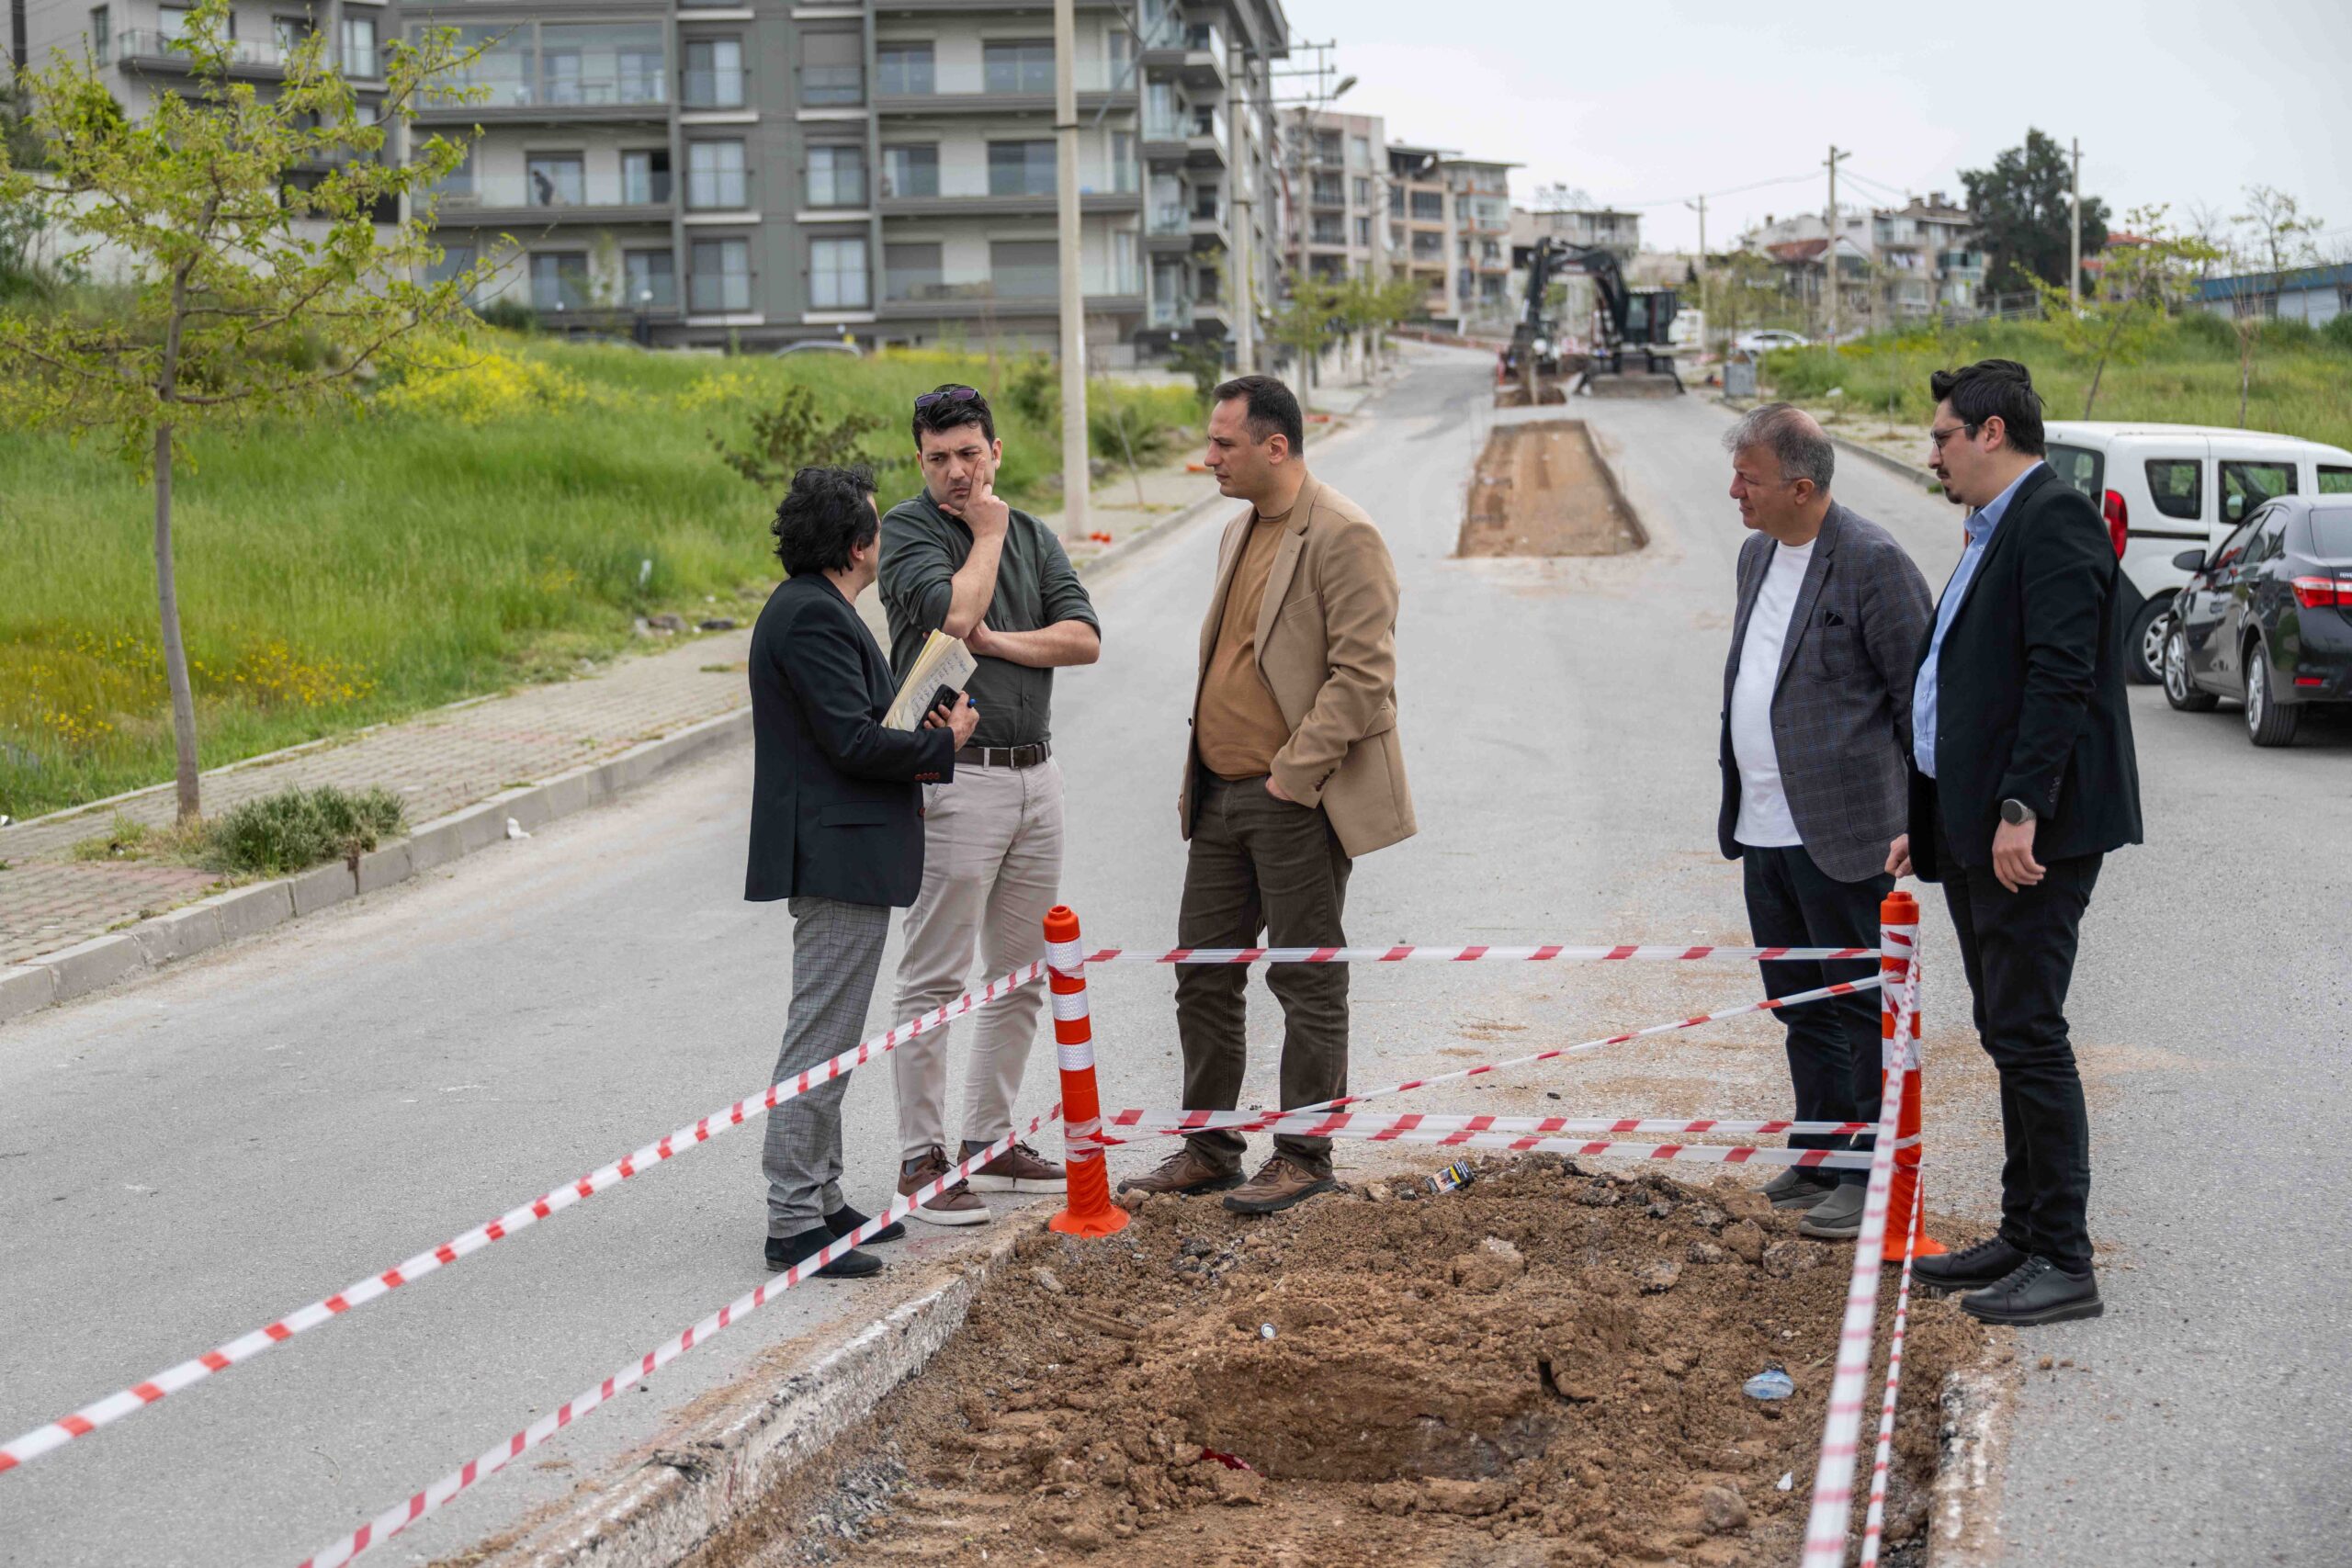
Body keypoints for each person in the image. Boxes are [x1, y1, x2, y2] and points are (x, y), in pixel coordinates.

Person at [1118, 375, 1416, 1215]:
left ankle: (1302, 1153)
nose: (1207, 457)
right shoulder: (1236, 531)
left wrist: (1294, 772)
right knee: (1204, 974)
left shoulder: (1344, 534)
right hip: (1216, 798)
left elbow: (1364, 678)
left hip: (1295, 801)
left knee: (1306, 976)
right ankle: (1211, 1147)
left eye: (1224, 444)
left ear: (1275, 447)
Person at [1890, 359, 2142, 1326]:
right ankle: (2023, 1232)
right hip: (1982, 827)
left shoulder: (2055, 518)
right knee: (2006, 1030)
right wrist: (1933, 823)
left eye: (1944, 436)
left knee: (2030, 1032)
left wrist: (2017, 809)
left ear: (1992, 432)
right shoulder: (1998, 525)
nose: (1934, 453)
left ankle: (2064, 1259)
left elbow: (2060, 676)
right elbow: (1964, 686)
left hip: (2031, 834)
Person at [877, 385, 1102, 1225]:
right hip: (953, 777)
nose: (956, 472)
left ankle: (987, 1139)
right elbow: (954, 611)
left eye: (970, 454)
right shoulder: (911, 530)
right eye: (938, 458)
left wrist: (1001, 643)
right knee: (934, 977)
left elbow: (1082, 638)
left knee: (1019, 977)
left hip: (1035, 774)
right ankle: (921, 1162)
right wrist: (988, 534)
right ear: (921, 461)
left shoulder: (1037, 535)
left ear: (996, 451)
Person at [746, 465, 978, 1278]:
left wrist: (923, 724)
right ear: (855, 544)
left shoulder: (818, 608)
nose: (883, 538)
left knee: (836, 1038)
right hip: (837, 855)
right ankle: (791, 1221)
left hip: (851, 850)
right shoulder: (810, 616)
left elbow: (856, 727)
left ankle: (823, 1198)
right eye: (876, 527)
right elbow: (851, 741)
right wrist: (941, 746)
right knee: (821, 1037)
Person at [1717, 404, 1932, 1240]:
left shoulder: (1873, 562)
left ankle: (1863, 1172)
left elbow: (1920, 699)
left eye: (1750, 478)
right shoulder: (1755, 554)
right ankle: (1817, 1152)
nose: (1735, 490)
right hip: (1764, 827)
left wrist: (1925, 814)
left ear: (1802, 488)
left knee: (1854, 1007)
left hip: (1844, 830)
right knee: (1799, 1002)